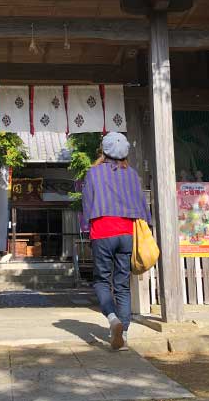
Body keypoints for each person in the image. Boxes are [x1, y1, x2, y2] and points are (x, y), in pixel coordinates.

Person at [82, 132, 151, 350]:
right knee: (122, 284)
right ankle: (125, 336)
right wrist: (147, 226)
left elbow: (87, 202)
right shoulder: (131, 174)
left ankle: (113, 320)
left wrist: (86, 228)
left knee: (102, 280)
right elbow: (141, 203)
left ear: (103, 150)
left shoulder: (93, 173)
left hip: (102, 231)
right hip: (127, 232)